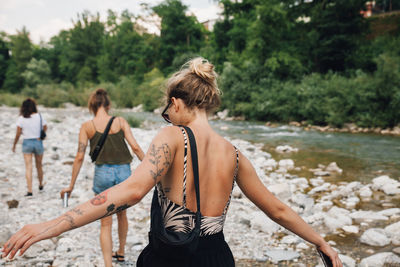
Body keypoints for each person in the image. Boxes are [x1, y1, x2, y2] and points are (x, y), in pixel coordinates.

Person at [2, 58, 342, 267]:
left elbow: (133, 192)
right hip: (218, 259)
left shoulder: (171, 136)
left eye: (168, 111)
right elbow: (278, 211)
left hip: (170, 258)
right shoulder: (235, 154)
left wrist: (48, 227)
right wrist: (320, 242)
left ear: (177, 103)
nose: (168, 117)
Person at [59, 89, 145, 267]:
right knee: (122, 214)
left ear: (91, 105)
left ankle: (108, 264)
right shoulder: (120, 122)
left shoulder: (87, 126)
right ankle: (120, 252)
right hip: (124, 173)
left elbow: (79, 157)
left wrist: (71, 186)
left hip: (102, 174)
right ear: (108, 104)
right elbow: (135, 147)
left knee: (105, 222)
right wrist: (152, 170)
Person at [12, 98, 47, 197]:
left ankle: (30, 190)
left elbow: (18, 133)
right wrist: (41, 134)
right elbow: (45, 126)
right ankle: (40, 184)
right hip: (38, 141)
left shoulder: (21, 118)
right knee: (39, 165)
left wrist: (14, 144)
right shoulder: (39, 116)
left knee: (28, 167)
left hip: (27, 142)